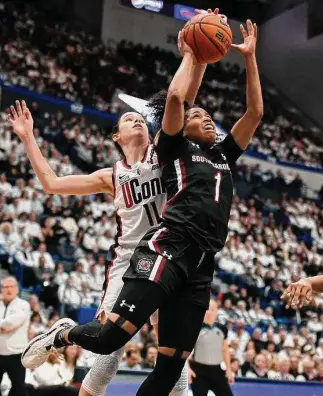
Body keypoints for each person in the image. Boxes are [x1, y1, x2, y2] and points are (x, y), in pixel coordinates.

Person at [21, 16, 262, 396]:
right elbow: (50, 183)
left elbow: (183, 101)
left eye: (139, 118)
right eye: (127, 118)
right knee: (109, 349)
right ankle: (63, 339)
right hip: (134, 255)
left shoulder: (164, 154)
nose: (136, 120)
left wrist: (196, 56)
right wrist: (28, 138)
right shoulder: (110, 175)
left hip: (176, 249)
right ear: (116, 135)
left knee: (173, 364)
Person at [0, 276, 30, 396]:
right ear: (1, 290)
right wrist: (2, 329)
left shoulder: (24, 305)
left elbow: (13, 322)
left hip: (17, 354)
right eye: (5, 287)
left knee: (19, 389)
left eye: (11, 286)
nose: (8, 290)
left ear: (17, 289)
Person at [188, 299, 233, 396]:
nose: (209, 312)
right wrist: (187, 369)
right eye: (206, 309)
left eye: (212, 309)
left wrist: (228, 369)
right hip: (198, 371)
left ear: (217, 311)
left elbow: (225, 350)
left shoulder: (222, 329)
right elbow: (184, 350)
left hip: (217, 371)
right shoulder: (194, 328)